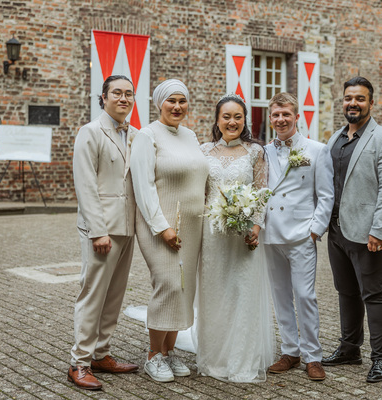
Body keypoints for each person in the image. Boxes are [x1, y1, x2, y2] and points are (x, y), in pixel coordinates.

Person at [322, 76, 382, 383]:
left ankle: (381, 358)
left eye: (359, 98)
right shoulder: (336, 138)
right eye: (348, 98)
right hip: (337, 231)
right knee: (346, 292)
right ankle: (349, 348)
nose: (352, 103)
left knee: (376, 295)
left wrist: (380, 230)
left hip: (368, 234)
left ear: (371, 102)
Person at [130, 79, 209, 382]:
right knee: (168, 285)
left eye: (182, 101)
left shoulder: (190, 135)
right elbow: (143, 186)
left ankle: (169, 351)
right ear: (159, 103)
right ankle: (153, 355)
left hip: (192, 226)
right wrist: (162, 227)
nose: (177, 106)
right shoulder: (147, 136)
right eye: (171, 101)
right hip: (160, 226)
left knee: (184, 288)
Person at [196, 93, 275, 382]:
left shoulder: (255, 152)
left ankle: (241, 359)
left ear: (245, 120)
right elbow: (200, 193)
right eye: (226, 116)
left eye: (238, 117)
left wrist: (256, 228)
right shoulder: (203, 151)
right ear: (217, 120)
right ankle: (215, 357)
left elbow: (262, 193)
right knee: (214, 293)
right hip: (212, 234)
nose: (232, 122)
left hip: (244, 235)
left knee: (242, 293)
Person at [69, 75, 140, 390]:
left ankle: (101, 354)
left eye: (129, 94)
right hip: (101, 230)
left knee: (114, 295)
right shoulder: (90, 132)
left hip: (127, 226)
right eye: (117, 93)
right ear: (104, 97)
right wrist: (98, 231)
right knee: (93, 294)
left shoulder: (135, 135)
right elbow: (85, 184)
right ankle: (79, 362)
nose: (123, 98)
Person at [262, 92, 334, 381]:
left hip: (302, 234)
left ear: (296, 117)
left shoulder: (317, 150)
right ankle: (290, 351)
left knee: (305, 296)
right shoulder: (263, 152)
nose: (281, 119)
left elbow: (326, 195)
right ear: (270, 118)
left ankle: (313, 356)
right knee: (280, 296)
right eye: (276, 115)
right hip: (271, 234)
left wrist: (315, 230)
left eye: (286, 114)